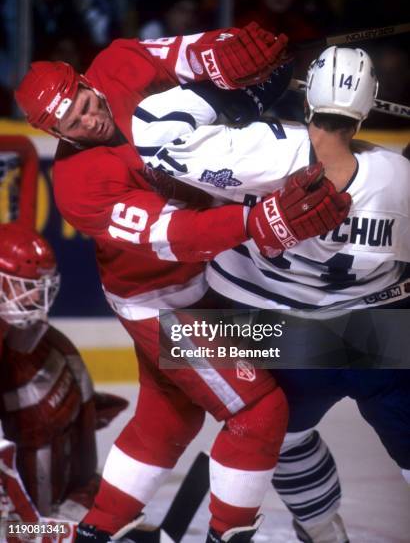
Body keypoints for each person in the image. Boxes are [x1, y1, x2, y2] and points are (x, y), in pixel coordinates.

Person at [14, 33, 351, 541]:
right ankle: (228, 534)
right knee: (259, 411)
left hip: (210, 282)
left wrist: (226, 52)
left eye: (84, 102)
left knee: (166, 420)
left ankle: (98, 529)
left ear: (85, 80)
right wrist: (257, 222)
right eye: (71, 123)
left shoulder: (120, 62)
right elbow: (178, 236)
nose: (88, 119)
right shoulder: (77, 188)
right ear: (54, 131)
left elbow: (192, 54)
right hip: (163, 305)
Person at [133, 45, 410, 543]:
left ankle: (325, 532)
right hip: (378, 337)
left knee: (276, 434)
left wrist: (230, 93)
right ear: (370, 106)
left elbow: (152, 131)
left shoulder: (264, 149)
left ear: (307, 100)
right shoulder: (399, 178)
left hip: (278, 336)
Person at [0, 221, 127, 524]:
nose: (34, 300)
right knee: (40, 404)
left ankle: (68, 497)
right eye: (24, 288)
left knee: (57, 382)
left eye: (38, 289)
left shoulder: (31, 334)